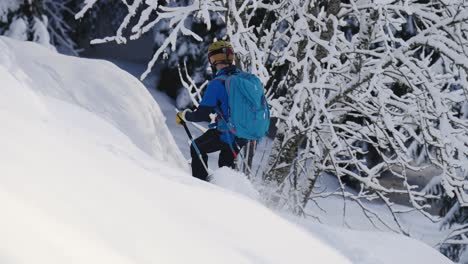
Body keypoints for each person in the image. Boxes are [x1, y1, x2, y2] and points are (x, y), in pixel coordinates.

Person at [176, 40, 247, 181]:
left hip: (228, 132)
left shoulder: (218, 83)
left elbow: (201, 114)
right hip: (244, 133)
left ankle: (201, 186)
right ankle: (232, 191)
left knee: (197, 147)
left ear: (213, 59)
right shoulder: (242, 78)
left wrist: (185, 115)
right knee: (226, 165)